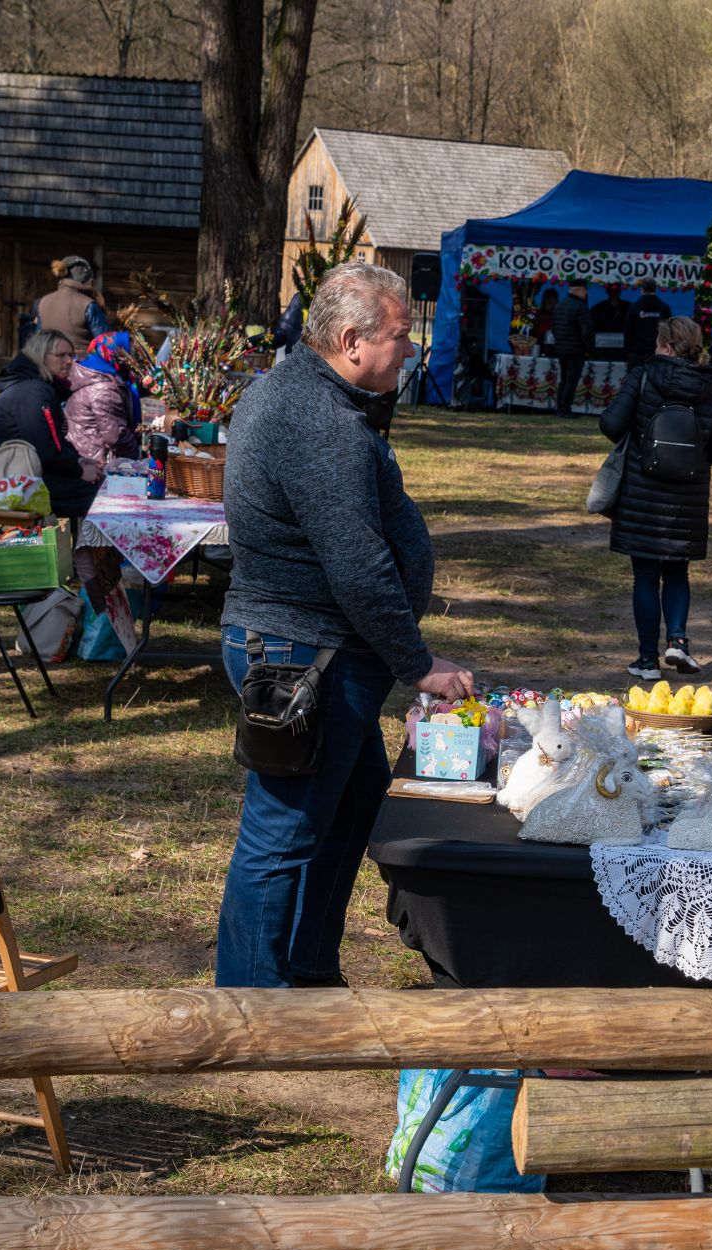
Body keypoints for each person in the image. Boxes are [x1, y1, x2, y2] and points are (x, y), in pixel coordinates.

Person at [217, 261, 475, 990]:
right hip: (305, 656)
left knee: (352, 807)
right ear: (353, 340)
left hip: (317, 649)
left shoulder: (316, 395)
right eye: (401, 335)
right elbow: (358, 565)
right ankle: (251, 1007)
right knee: (282, 836)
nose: (411, 350)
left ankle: (306, 973)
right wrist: (417, 663)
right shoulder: (319, 421)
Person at [598, 316, 712, 679]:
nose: (655, 349)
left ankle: (647, 660)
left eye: (658, 343)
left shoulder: (643, 376)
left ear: (669, 348)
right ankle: (678, 640)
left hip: (641, 494)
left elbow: (611, 423)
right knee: (677, 572)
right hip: (686, 500)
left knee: (644, 578)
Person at [0, 329, 100, 519]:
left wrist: (80, 461)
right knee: (102, 498)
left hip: (33, 477)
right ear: (41, 356)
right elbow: (46, 449)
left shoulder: (37, 388)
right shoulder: (33, 393)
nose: (69, 361)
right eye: (61, 355)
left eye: (71, 355)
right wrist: (80, 470)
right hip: (22, 485)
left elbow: (54, 443)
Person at [63, 331, 143, 464]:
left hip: (82, 450)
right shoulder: (104, 388)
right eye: (128, 355)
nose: (132, 361)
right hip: (95, 461)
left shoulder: (92, 371)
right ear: (115, 355)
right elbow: (115, 435)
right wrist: (137, 455)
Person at [34, 256, 108, 353]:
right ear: (87, 280)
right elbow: (106, 344)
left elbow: (38, 341)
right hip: (81, 361)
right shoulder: (88, 305)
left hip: (48, 360)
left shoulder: (43, 302)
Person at [551, 281, 595, 416]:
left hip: (561, 348)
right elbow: (587, 331)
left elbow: (554, 328)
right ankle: (565, 409)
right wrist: (589, 349)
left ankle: (560, 407)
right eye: (585, 290)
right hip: (576, 349)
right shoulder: (581, 307)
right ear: (579, 290)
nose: (586, 293)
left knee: (564, 379)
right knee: (571, 380)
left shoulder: (559, 305)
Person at [624, 278, 671, 369]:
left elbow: (628, 331)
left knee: (635, 377)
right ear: (655, 289)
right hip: (657, 353)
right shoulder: (664, 307)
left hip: (637, 352)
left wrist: (626, 352)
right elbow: (668, 332)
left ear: (642, 289)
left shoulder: (634, 307)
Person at [590, 281, 632, 359]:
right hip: (601, 348)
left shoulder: (628, 307)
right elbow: (592, 328)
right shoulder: (597, 309)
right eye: (612, 291)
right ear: (607, 291)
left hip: (624, 348)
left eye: (616, 290)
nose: (614, 293)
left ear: (620, 291)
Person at [532, 287, 559, 354]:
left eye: (557, 298)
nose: (557, 301)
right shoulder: (538, 314)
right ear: (548, 299)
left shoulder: (557, 315)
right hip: (539, 348)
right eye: (555, 298)